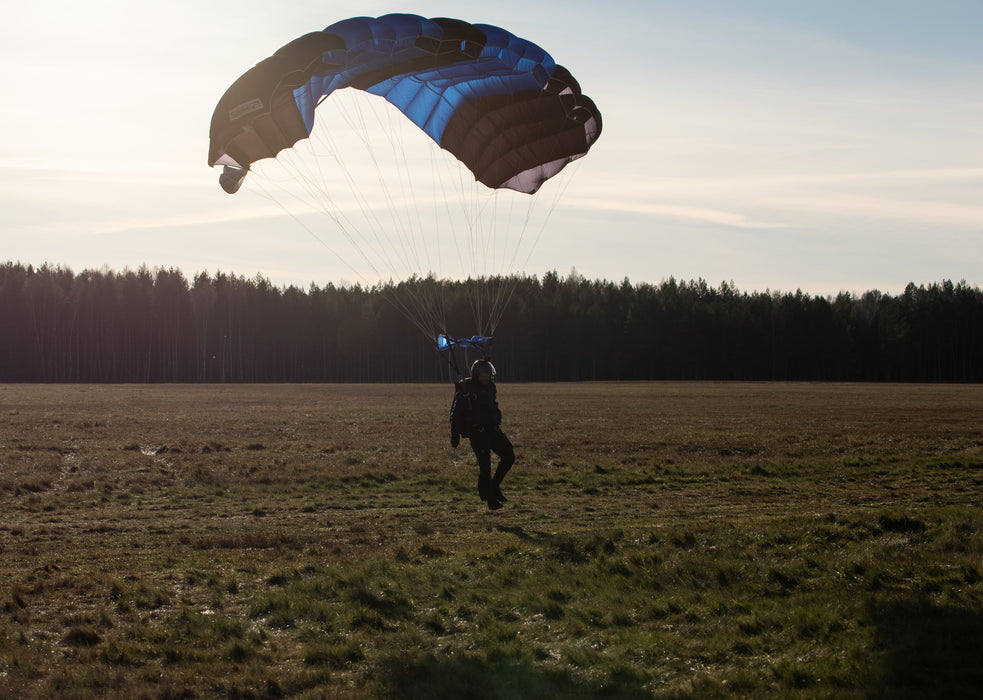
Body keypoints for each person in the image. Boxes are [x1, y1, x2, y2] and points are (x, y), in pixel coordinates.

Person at [450, 358, 515, 510]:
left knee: (509, 456)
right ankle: (491, 500)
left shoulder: (491, 387)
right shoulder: (465, 389)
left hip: (492, 429)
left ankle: (494, 486)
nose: (486, 377)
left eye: (488, 374)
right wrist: (454, 435)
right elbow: (455, 414)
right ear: (476, 375)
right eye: (483, 375)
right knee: (485, 466)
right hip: (477, 432)